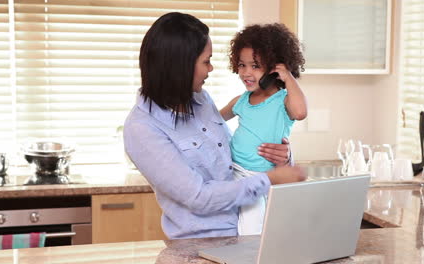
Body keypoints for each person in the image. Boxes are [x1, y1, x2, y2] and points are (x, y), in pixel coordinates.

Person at [123, 12, 306, 240]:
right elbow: (199, 197)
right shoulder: (142, 128)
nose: (211, 69)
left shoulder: (200, 99)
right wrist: (271, 178)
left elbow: (234, 154)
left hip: (245, 232)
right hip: (204, 247)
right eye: (206, 62)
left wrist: (282, 157)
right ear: (180, 66)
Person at [219, 23, 307, 235]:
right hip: (235, 170)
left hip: (261, 176)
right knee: (243, 223)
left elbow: (300, 112)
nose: (246, 73)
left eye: (255, 66)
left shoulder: (282, 100)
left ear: (275, 68)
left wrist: (289, 78)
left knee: (254, 228)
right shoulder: (241, 100)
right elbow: (214, 120)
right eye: (242, 65)